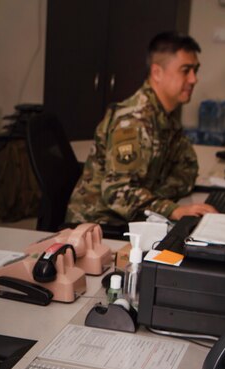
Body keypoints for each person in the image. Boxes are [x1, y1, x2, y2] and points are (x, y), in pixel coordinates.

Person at [66, 31, 217, 226]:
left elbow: (187, 169)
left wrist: (155, 198)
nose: (193, 79)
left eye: (195, 70)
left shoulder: (165, 116)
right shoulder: (133, 122)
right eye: (185, 70)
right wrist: (172, 209)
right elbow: (118, 193)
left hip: (134, 218)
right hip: (99, 225)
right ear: (157, 73)